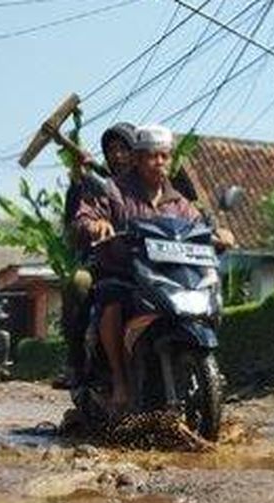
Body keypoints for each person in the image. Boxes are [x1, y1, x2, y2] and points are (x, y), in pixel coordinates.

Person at [71, 124, 206, 414]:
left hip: (167, 276)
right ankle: (120, 381)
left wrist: (221, 234)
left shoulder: (179, 202)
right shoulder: (114, 191)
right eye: (151, 156)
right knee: (112, 303)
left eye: (164, 156)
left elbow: (201, 224)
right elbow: (84, 217)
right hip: (123, 273)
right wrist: (95, 224)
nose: (158, 162)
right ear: (138, 159)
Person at [57, 122, 137, 389]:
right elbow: (75, 220)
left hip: (150, 261)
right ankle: (76, 360)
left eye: (124, 148)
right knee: (79, 282)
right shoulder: (99, 185)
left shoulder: (154, 182)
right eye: (112, 150)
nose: (118, 155)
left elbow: (187, 209)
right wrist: (79, 184)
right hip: (108, 260)